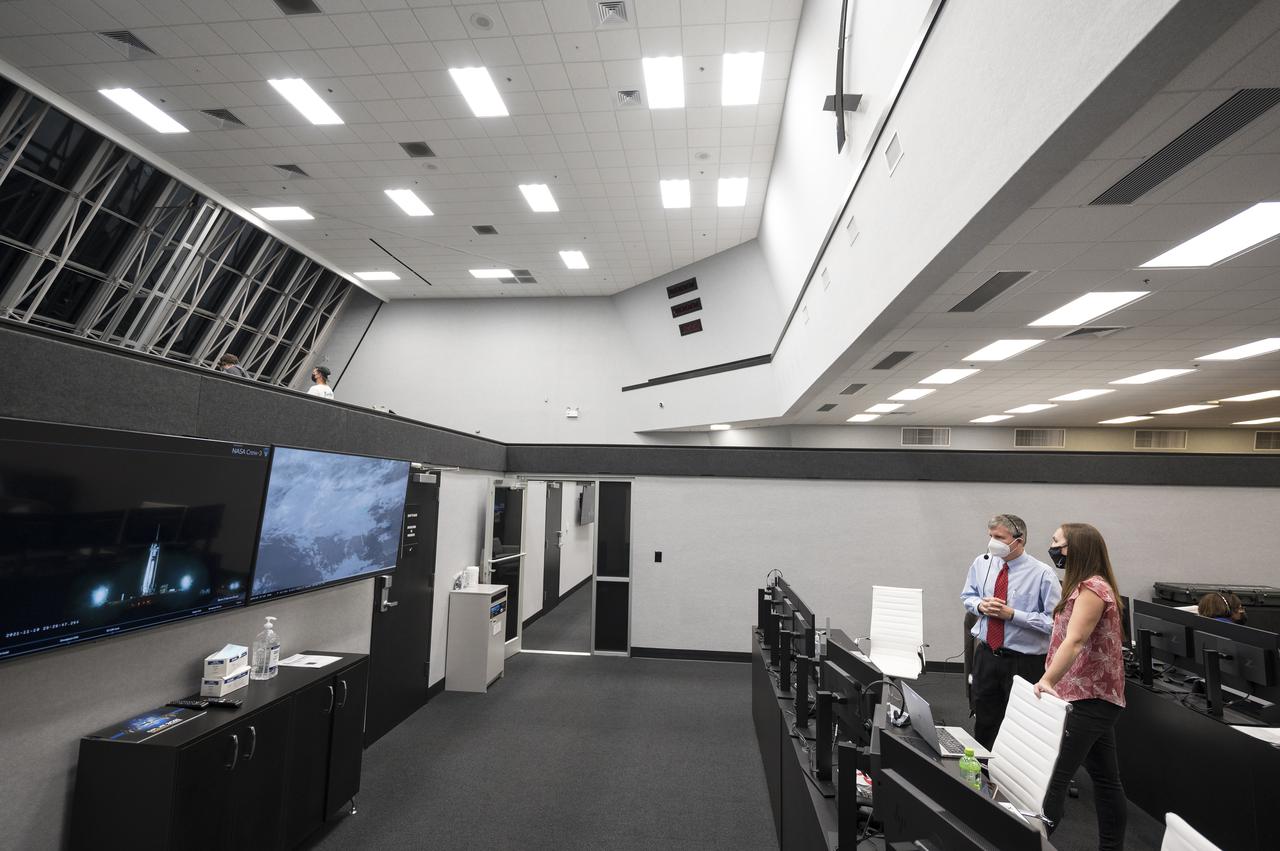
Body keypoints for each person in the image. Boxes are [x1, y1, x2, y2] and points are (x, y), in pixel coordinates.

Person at [1035, 523, 1127, 851]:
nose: (1052, 546)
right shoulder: (1081, 586)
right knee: (1105, 779)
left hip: (1090, 698)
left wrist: (1047, 680)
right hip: (1088, 695)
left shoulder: (1093, 588)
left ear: (1074, 547)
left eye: (1056, 542)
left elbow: (1074, 642)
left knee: (1052, 780)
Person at [960, 513, 1061, 748]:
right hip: (986, 655)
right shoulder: (982, 563)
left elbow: (1054, 624)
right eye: (990, 536)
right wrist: (980, 605)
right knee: (984, 719)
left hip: (1024, 661)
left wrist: (1013, 615)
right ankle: (982, 777)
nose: (992, 542)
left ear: (1019, 540)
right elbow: (968, 596)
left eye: (999, 537)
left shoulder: (1042, 574)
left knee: (1022, 726)